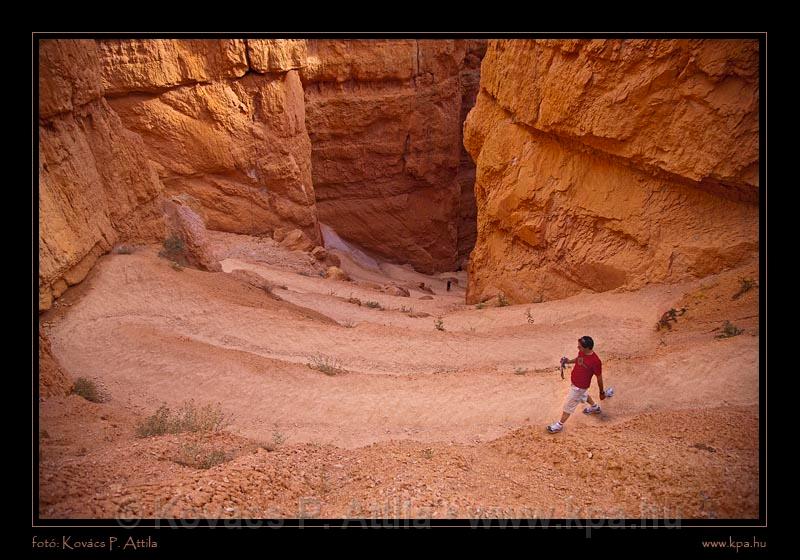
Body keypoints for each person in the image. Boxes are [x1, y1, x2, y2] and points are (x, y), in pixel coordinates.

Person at [547, 335, 608, 433]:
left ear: (587, 348)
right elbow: (579, 359)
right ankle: (595, 407)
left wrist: (601, 392)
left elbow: (599, 378)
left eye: (580, 346)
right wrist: (568, 361)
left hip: (579, 387)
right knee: (583, 395)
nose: (578, 348)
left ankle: (559, 425)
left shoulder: (595, 361)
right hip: (576, 384)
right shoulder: (582, 352)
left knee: (569, 405)